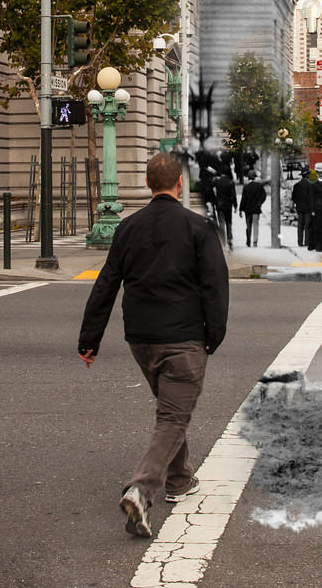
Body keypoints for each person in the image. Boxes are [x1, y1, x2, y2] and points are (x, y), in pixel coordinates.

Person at [78, 153, 228, 540]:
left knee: (169, 409)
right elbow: (215, 285)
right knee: (173, 416)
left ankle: (179, 478)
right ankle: (142, 490)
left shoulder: (127, 228)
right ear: (180, 183)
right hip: (183, 336)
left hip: (141, 338)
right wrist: (214, 333)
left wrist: (89, 339)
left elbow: (106, 284)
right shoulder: (199, 227)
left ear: (148, 184)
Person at [239, 177, 267, 247]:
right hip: (256, 209)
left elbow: (243, 199)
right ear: (254, 177)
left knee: (248, 226)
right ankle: (255, 242)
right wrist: (260, 202)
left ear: (248, 178)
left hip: (247, 210)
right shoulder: (259, 186)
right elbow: (264, 196)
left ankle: (248, 241)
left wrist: (240, 209)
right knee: (256, 225)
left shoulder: (246, 187)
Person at [211, 170, 236, 248]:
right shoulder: (231, 182)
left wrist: (215, 201)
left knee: (221, 222)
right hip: (228, 205)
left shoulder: (217, 182)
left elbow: (211, 189)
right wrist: (235, 205)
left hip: (220, 205)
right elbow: (233, 195)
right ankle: (229, 238)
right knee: (229, 222)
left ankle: (222, 240)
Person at [290, 172, 313, 247]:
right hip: (308, 209)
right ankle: (307, 242)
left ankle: (300, 242)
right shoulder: (310, 185)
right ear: (307, 176)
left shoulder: (297, 185)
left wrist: (296, 204)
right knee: (307, 226)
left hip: (299, 208)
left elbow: (293, 197)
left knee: (300, 226)